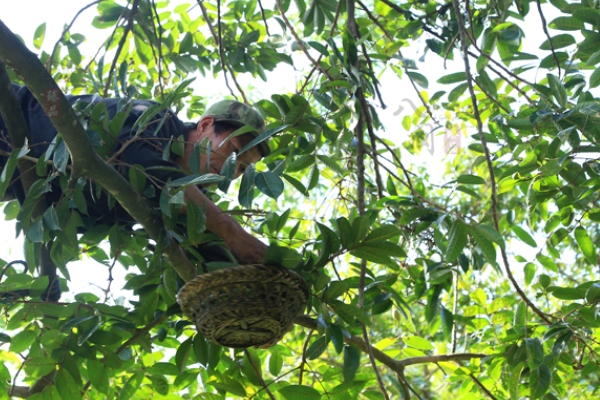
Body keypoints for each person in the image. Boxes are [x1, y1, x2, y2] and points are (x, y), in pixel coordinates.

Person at [0, 84, 269, 297]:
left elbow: (215, 260)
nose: (233, 171)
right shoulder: (158, 120)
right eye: (235, 151)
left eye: (243, 169)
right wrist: (230, 229)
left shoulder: (186, 207)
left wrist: (258, 296)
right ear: (205, 125)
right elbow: (141, 166)